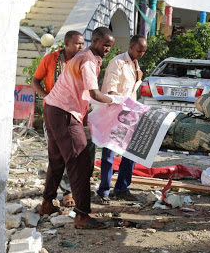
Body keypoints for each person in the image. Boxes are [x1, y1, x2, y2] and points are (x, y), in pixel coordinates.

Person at [38, 27, 117, 229]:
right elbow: (94, 94)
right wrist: (117, 102)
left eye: (110, 46)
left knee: (57, 161)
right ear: (96, 41)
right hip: (64, 112)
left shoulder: (84, 57)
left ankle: (47, 204)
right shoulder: (88, 60)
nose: (108, 49)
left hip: (54, 109)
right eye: (105, 45)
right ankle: (82, 215)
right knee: (80, 161)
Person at [32, 30, 85, 208]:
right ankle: (68, 194)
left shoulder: (81, 61)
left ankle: (51, 199)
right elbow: (35, 81)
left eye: (83, 43)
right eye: (78, 43)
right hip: (54, 112)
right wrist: (47, 97)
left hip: (73, 113)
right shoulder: (50, 59)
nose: (81, 47)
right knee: (64, 155)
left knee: (62, 156)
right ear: (67, 44)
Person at [97, 35, 147, 203]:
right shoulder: (117, 62)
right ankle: (104, 190)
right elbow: (110, 90)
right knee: (109, 154)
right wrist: (122, 104)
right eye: (139, 50)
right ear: (131, 47)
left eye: (144, 52)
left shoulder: (135, 64)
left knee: (131, 152)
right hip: (115, 113)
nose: (141, 54)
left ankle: (121, 188)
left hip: (130, 115)